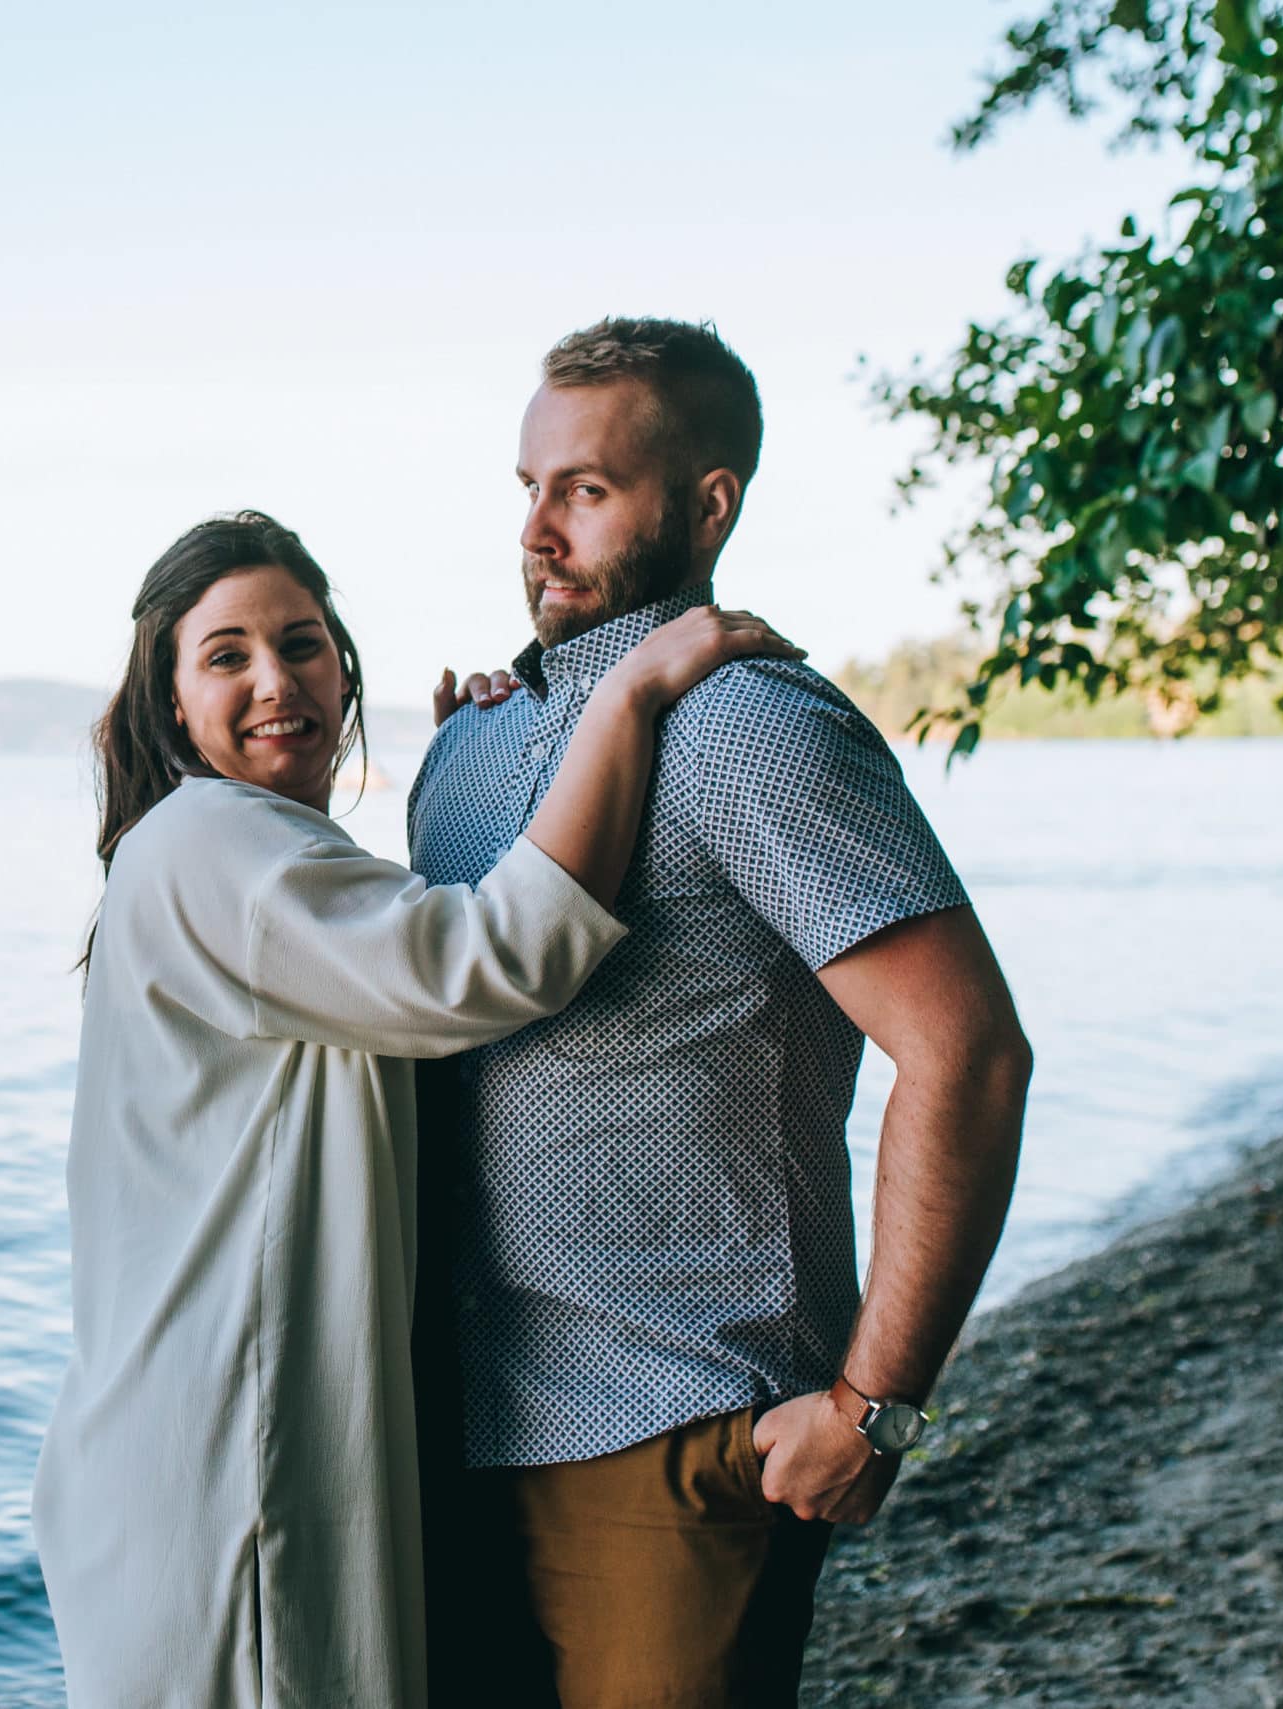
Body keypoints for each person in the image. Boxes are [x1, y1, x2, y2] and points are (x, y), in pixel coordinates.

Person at [32, 509, 802, 1708]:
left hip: (209, 1436)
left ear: (343, 664)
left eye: (300, 643)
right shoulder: (207, 839)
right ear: (169, 702)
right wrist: (625, 700)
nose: (274, 679)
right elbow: (489, 961)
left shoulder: (249, 851)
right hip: (231, 1460)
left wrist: (486, 768)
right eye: (225, 655)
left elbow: (400, 995)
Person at [410, 319, 1035, 1708]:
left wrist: (878, 1404)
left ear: (708, 503)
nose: (538, 528)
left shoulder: (751, 725)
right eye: (527, 486)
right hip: (460, 1417)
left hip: (678, 1428)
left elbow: (968, 1053)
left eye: (585, 490)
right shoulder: (469, 742)